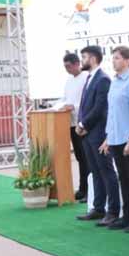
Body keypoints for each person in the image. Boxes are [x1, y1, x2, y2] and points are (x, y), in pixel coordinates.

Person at [97, 46, 129, 231]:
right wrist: (108, 136)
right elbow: (112, 113)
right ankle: (127, 215)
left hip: (127, 137)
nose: (113, 61)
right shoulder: (114, 82)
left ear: (127, 61)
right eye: (113, 58)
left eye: (117, 58)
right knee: (123, 178)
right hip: (115, 137)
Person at [75, 45, 118, 224]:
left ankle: (113, 210)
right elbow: (85, 105)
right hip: (87, 133)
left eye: (84, 57)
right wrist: (80, 124)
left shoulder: (103, 79)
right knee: (96, 172)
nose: (82, 60)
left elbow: (100, 107)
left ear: (92, 58)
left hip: (98, 132)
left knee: (106, 171)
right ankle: (98, 208)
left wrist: (84, 124)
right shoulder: (90, 78)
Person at [53, 52, 90, 200]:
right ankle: (82, 189)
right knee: (80, 157)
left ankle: (89, 190)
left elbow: (87, 101)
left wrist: (72, 106)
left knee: (87, 158)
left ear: (76, 64)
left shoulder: (86, 77)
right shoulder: (69, 80)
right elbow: (65, 98)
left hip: (83, 123)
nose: (67, 69)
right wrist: (55, 106)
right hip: (70, 122)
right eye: (65, 67)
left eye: (68, 66)